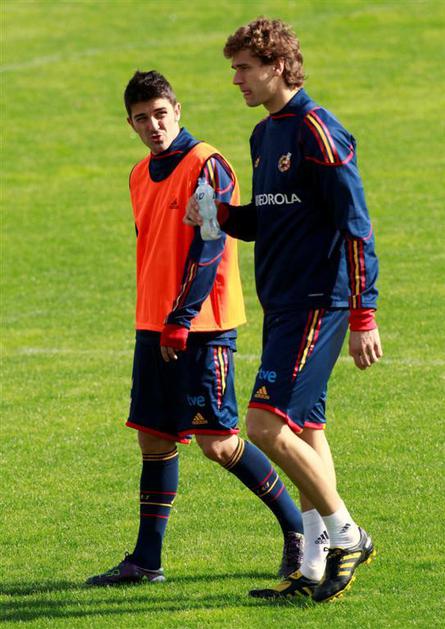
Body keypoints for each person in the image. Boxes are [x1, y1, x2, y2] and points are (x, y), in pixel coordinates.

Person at [185, 18, 382, 603]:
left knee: (265, 426)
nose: (236, 79)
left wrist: (364, 315)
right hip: (283, 302)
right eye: (234, 69)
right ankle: (313, 567)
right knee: (306, 430)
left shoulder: (319, 130)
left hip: (319, 301)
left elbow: (356, 225)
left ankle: (348, 535)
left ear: (277, 66)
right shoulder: (263, 135)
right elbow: (270, 219)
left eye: (245, 68)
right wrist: (222, 215)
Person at [85, 70, 305, 587]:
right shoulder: (139, 174)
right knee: (153, 438)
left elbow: (210, 243)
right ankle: (147, 561)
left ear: (177, 110)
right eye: (142, 118)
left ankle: (299, 531)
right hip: (154, 324)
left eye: (161, 114)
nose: (154, 126)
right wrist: (161, 320)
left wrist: (182, 318)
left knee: (218, 442)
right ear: (130, 124)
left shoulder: (207, 164)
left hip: (202, 326)